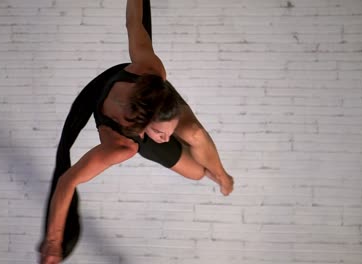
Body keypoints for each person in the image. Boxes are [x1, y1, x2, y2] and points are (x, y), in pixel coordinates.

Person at [39, 0, 234, 263]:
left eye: (169, 131)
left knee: (194, 133)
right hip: (120, 120)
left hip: (146, 94)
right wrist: (53, 242)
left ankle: (222, 176)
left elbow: (134, 20)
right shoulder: (122, 145)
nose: (166, 139)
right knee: (198, 173)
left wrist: (219, 172)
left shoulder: (149, 69)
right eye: (162, 134)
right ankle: (209, 171)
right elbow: (67, 181)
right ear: (143, 129)